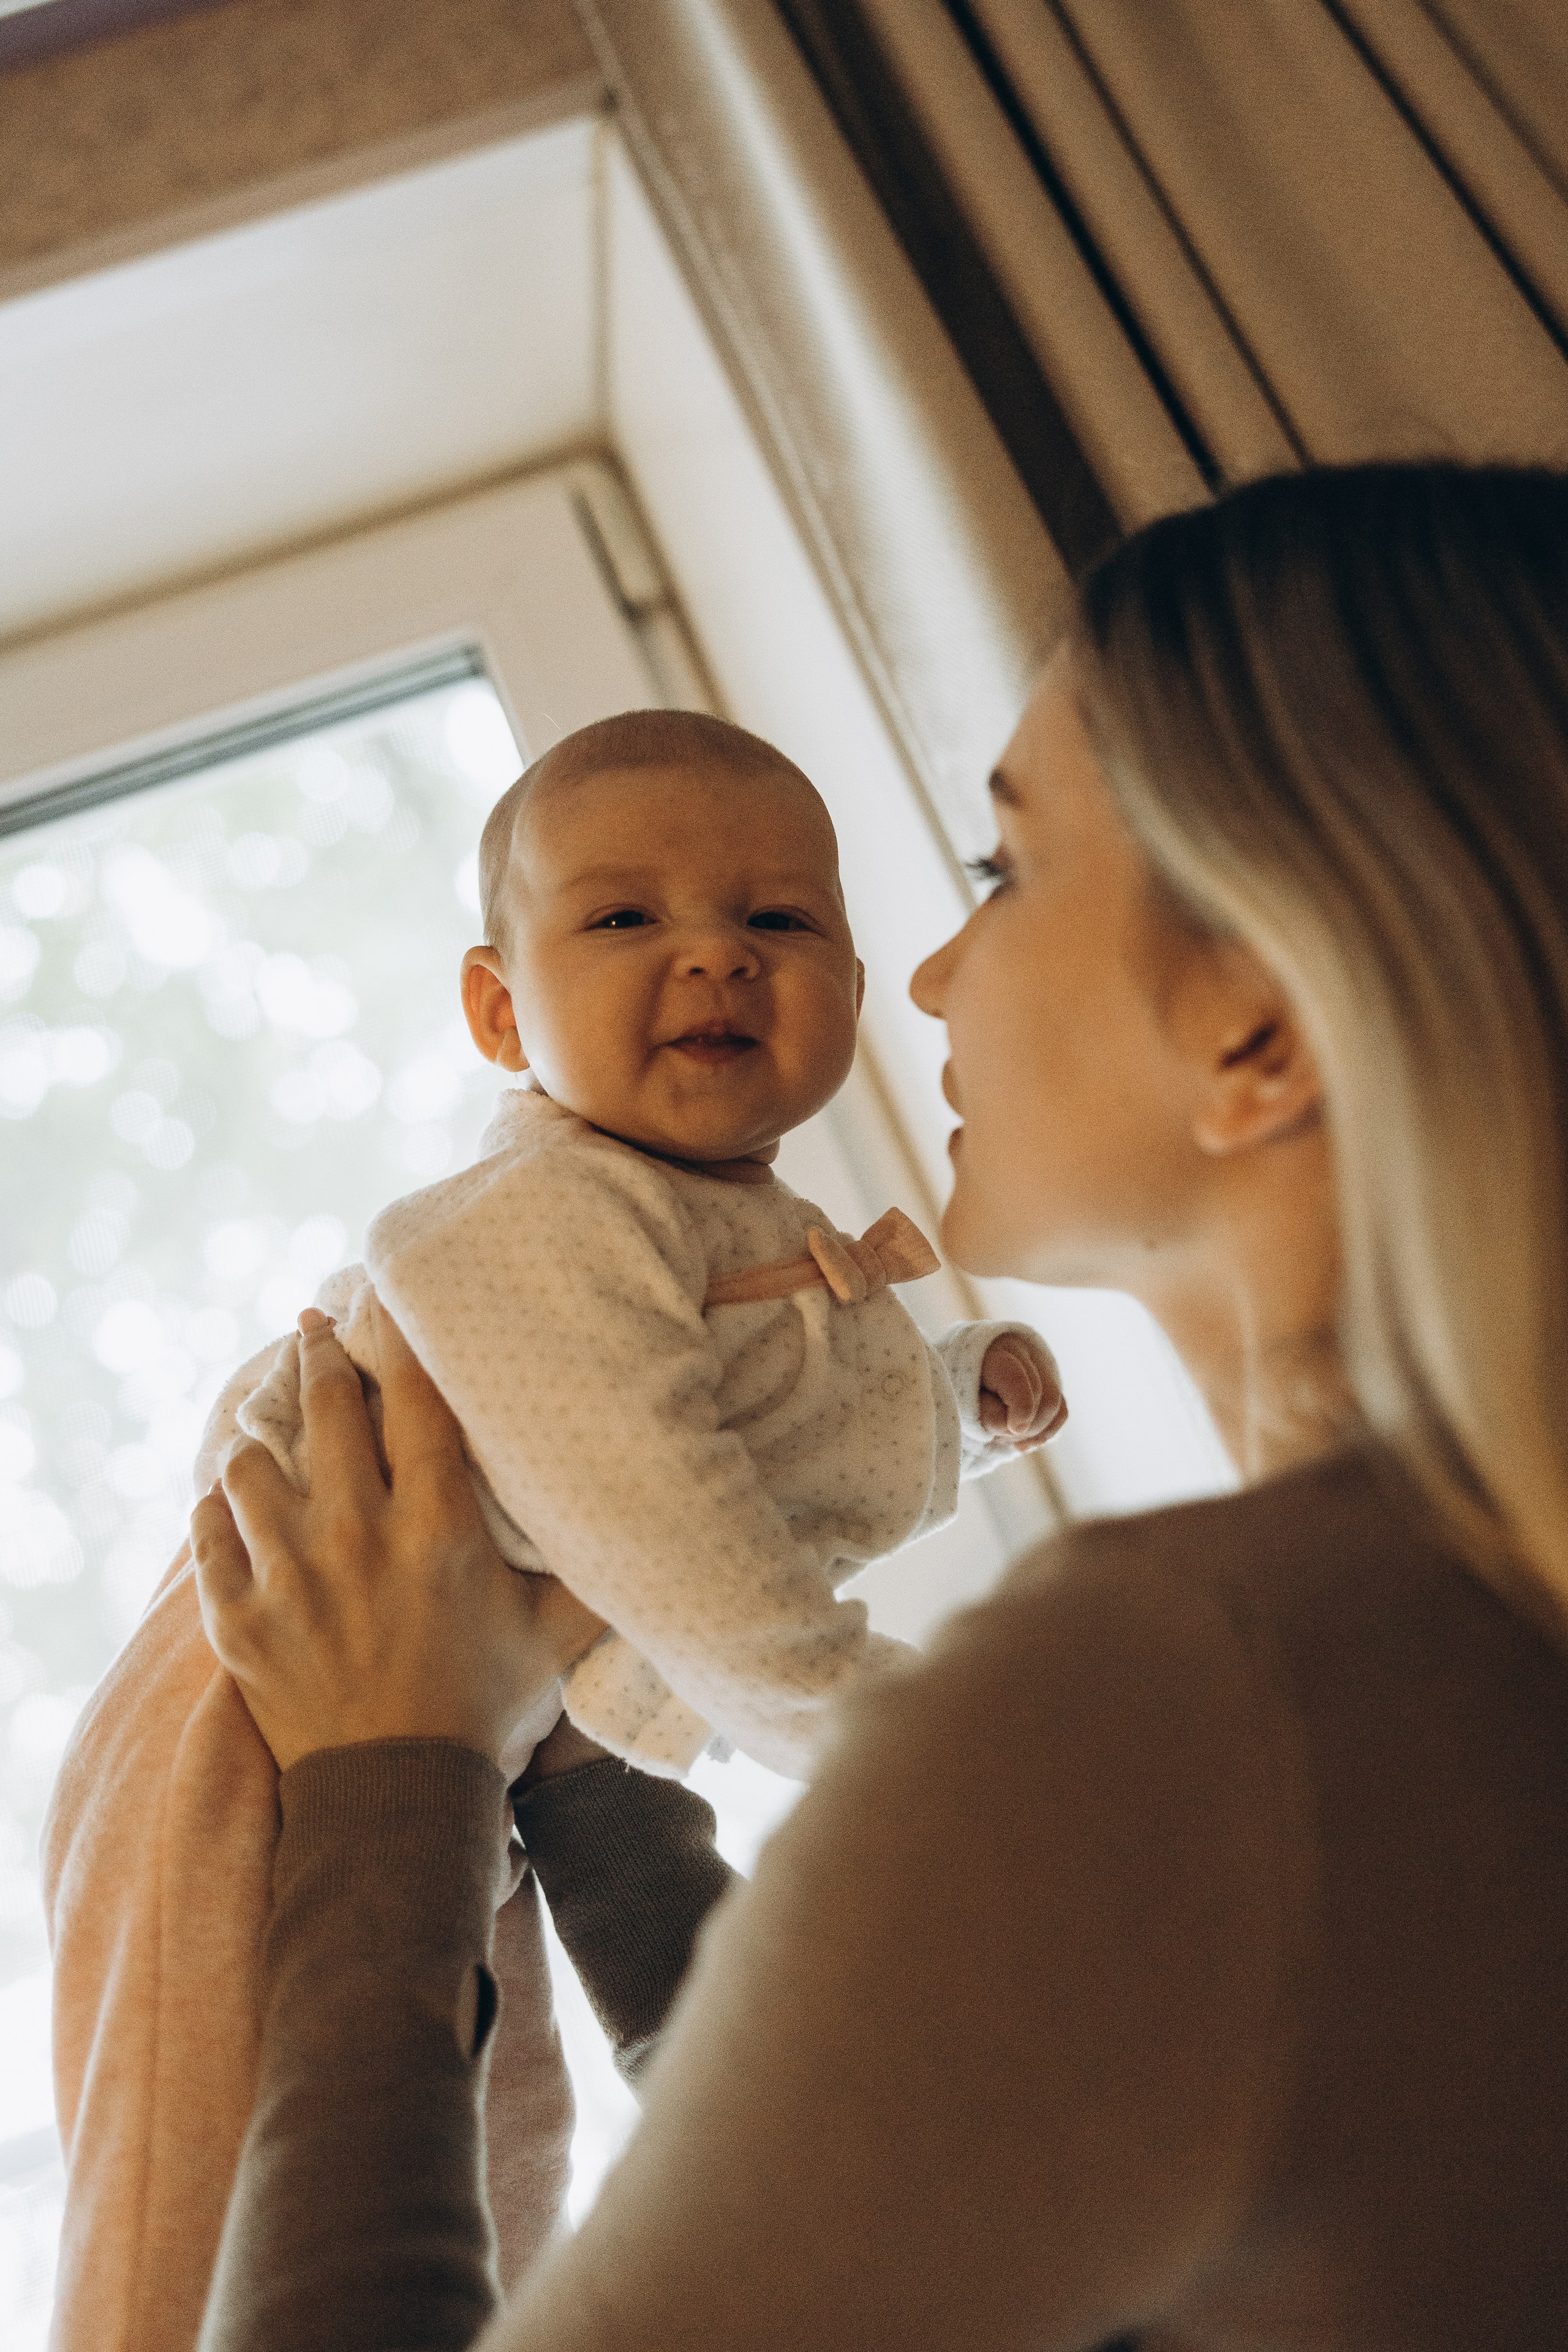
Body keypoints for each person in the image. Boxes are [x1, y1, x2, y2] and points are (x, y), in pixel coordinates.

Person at [194, 462, 1568, 2350]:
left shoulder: (1161, 1703)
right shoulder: (1459, 1660)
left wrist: (388, 1790)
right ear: (500, 1010)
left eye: (1003, 872)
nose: (919, 970)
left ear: (1252, 1026)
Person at [43, 707, 1061, 2352]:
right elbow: (654, 1506)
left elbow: (749, 1449)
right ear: (500, 1015)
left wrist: (956, 1410)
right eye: (625, 918)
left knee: (502, 2157)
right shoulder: (545, 1213)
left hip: (489, 1711)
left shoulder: (729, 1221)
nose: (717, 960)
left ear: (855, 996)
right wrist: (857, 1712)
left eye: (779, 922)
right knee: (198, 2179)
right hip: (245, 1686)